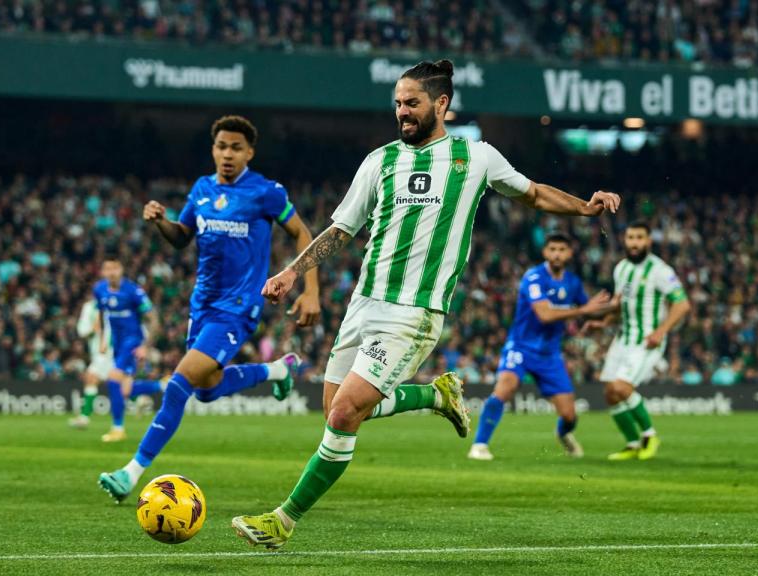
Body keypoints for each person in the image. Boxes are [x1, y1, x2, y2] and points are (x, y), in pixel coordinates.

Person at [231, 60, 621, 549]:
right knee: (333, 408)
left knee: (345, 414)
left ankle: (282, 522)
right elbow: (341, 230)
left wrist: (584, 206)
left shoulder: (475, 157)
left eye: (411, 103)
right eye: (397, 103)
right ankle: (436, 396)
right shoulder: (380, 160)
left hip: (413, 313)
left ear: (440, 104)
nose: (402, 112)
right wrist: (292, 272)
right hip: (364, 304)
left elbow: (535, 194)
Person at [98, 115, 321, 501]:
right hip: (201, 306)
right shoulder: (201, 189)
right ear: (213, 149)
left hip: (238, 307)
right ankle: (277, 369)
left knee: (180, 384)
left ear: (249, 152)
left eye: (236, 147)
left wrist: (310, 289)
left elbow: (303, 233)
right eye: (222, 147)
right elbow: (182, 237)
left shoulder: (265, 192)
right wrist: (161, 222)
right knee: (206, 390)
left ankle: (130, 472)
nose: (228, 154)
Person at [468, 233, 612, 461]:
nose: (556, 253)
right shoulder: (533, 277)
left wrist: (600, 318)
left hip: (550, 355)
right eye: (552, 249)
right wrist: (584, 312)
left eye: (561, 249)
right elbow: (545, 314)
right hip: (521, 348)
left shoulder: (573, 282)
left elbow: (589, 309)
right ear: (545, 252)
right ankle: (479, 445)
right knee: (505, 388)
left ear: (569, 253)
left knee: (569, 416)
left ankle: (563, 434)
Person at [585, 222, 691, 461]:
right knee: (610, 394)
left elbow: (682, 304)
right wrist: (604, 322)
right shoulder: (621, 269)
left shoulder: (660, 270)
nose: (634, 243)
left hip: (646, 341)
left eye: (639, 238)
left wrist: (661, 331)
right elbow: (624, 303)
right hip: (622, 338)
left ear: (648, 241)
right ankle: (633, 444)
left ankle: (649, 435)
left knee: (621, 388)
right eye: (630, 237)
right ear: (624, 240)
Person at [93, 258, 164, 442]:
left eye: (115, 267)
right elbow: (101, 314)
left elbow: (153, 318)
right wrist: (102, 340)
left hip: (133, 341)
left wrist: (145, 346)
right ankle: (164, 385)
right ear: (103, 271)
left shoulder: (133, 291)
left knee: (113, 378)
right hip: (117, 342)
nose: (112, 272)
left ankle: (118, 429)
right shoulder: (99, 289)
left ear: (121, 269)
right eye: (108, 268)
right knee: (125, 391)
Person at [67, 295, 112, 428]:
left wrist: (106, 341)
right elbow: (82, 331)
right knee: (117, 380)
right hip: (98, 351)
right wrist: (93, 329)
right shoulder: (89, 307)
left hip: (108, 350)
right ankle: (141, 397)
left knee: (91, 376)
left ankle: (84, 417)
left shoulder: (116, 305)